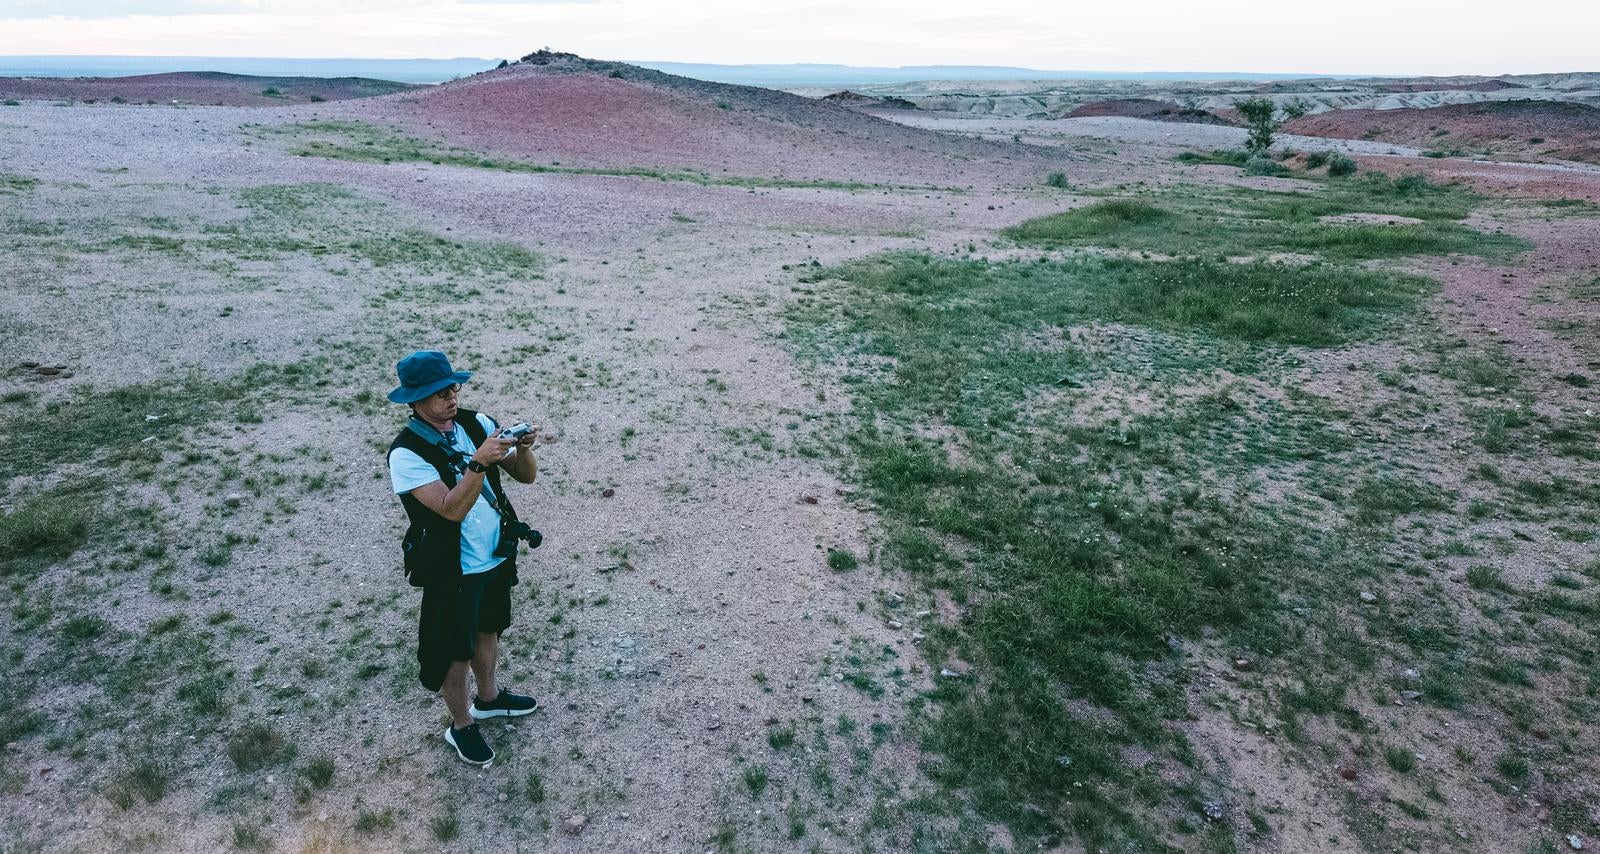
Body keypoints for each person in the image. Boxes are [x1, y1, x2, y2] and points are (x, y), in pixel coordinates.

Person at [385, 350, 540, 767]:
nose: (451, 399)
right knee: (454, 651)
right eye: (438, 393)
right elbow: (450, 510)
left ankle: (488, 699)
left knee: (488, 630)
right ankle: (461, 725)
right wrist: (477, 462)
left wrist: (522, 449)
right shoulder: (406, 454)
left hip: (493, 555)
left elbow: (525, 475)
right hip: (449, 568)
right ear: (414, 401)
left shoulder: (477, 423)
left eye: (453, 387)